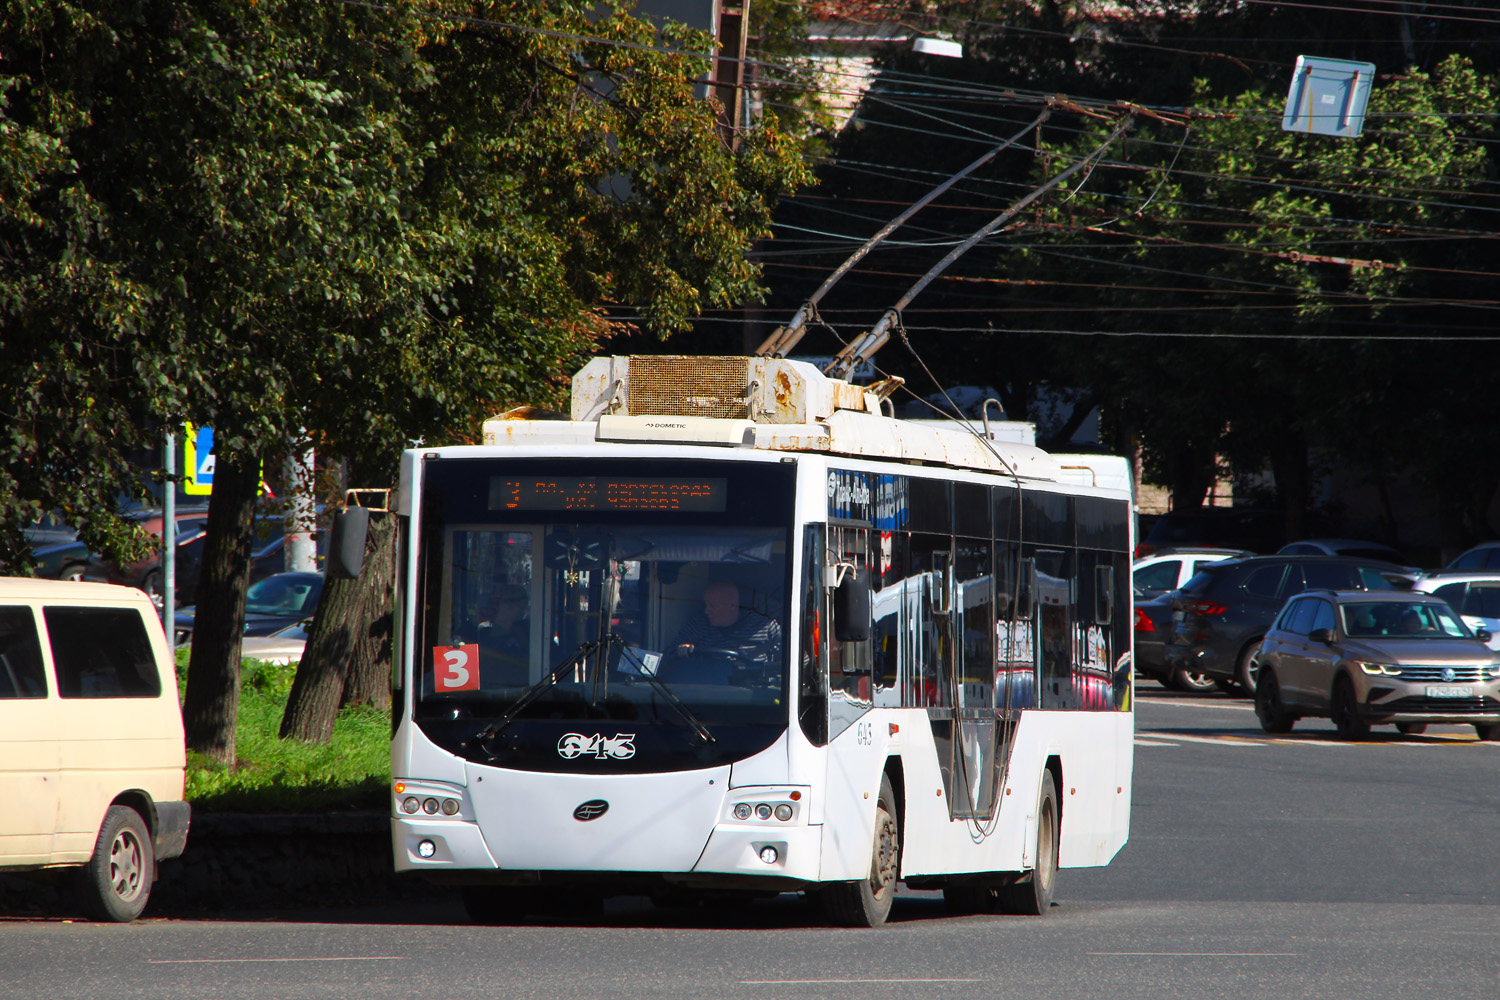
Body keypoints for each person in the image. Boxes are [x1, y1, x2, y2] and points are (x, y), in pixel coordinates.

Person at [669, 580, 782, 677]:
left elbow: (785, 663)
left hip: (752, 690)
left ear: (732, 605)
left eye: (712, 605)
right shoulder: (699, 624)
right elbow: (669, 654)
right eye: (706, 605)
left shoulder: (766, 626)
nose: (706, 611)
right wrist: (683, 650)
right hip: (708, 688)